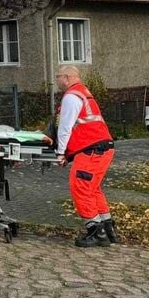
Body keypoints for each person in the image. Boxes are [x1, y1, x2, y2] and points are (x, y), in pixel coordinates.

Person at [55, 65, 118, 248]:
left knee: (80, 187)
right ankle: (108, 229)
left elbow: (65, 127)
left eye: (58, 76)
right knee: (93, 189)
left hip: (91, 150)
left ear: (67, 77)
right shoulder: (84, 93)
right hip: (103, 147)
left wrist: (61, 153)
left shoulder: (71, 97)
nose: (57, 80)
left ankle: (96, 231)